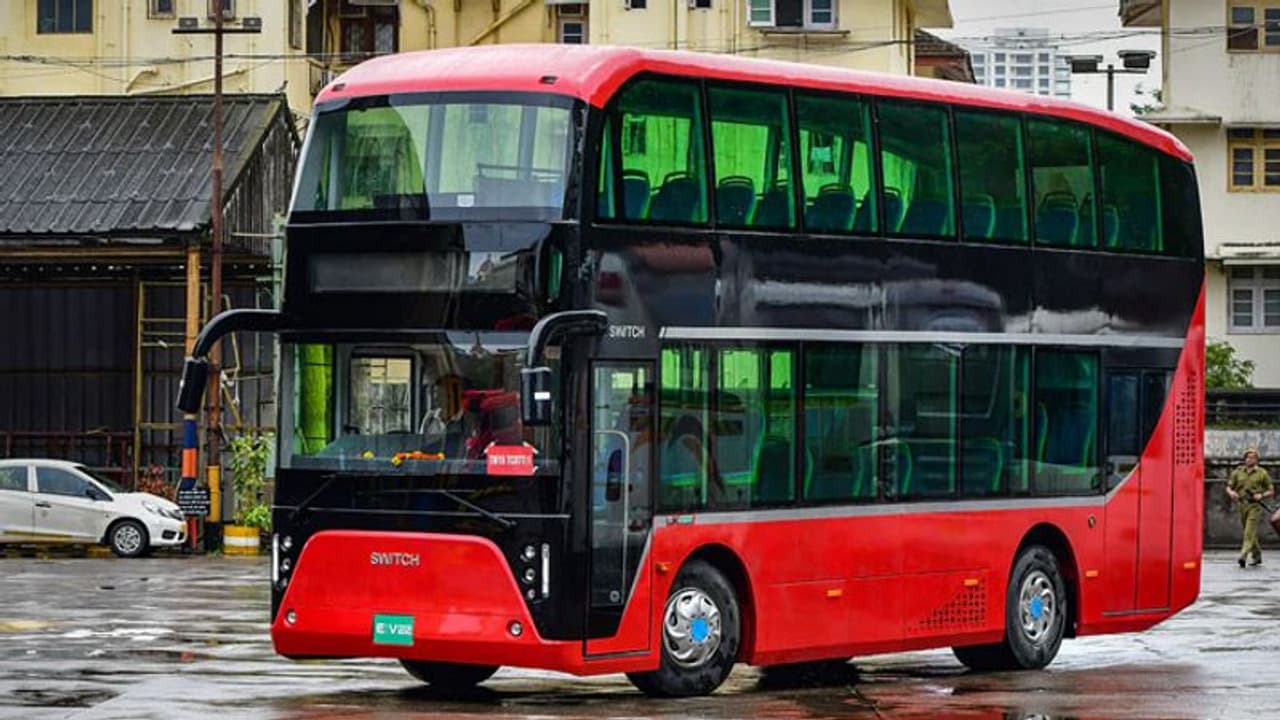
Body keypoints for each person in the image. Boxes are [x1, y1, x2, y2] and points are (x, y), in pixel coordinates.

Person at [1226, 448, 1275, 567]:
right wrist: (1231, 493)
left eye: (1252, 457)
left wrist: (1261, 495)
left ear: (1257, 460)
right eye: (1248, 457)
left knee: (1248, 532)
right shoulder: (1238, 472)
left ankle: (1243, 556)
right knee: (1250, 532)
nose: (1249, 459)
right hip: (1242, 505)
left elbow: (1271, 490)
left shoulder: (1262, 473)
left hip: (1255, 506)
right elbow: (1229, 486)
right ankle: (1257, 556)